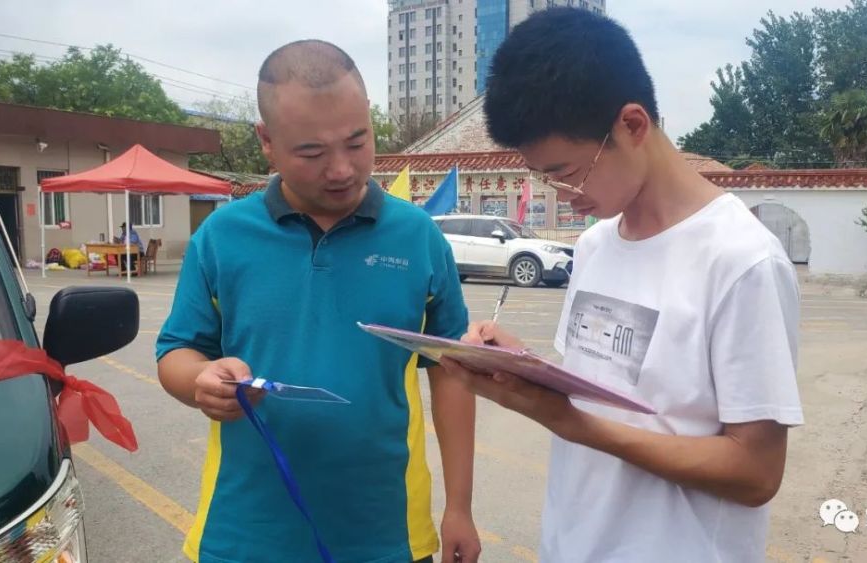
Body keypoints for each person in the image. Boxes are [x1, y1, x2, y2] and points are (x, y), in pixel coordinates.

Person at [440, 8, 803, 563]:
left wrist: (572, 424)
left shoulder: (741, 260)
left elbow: (755, 473)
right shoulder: (594, 246)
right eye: (545, 177)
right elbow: (599, 383)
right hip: (572, 543)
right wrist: (523, 365)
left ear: (632, 125)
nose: (561, 192)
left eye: (568, 171)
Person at [156, 40, 480, 563]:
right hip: (244, 534)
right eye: (312, 152)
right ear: (266, 141)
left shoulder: (418, 237)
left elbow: (451, 371)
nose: (342, 170)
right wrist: (199, 381)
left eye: (357, 142)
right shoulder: (221, 237)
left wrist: (460, 507)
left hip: (387, 534)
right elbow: (176, 351)